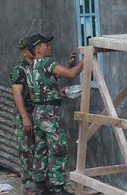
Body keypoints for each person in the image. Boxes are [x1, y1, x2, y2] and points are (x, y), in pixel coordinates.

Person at [26, 33, 83, 195]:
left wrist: (58, 91)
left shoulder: (31, 68)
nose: (49, 47)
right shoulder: (47, 62)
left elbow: (36, 91)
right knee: (58, 149)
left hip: (38, 112)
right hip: (50, 113)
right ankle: (58, 188)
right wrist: (89, 58)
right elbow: (71, 74)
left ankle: (41, 186)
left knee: (41, 149)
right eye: (46, 45)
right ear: (38, 49)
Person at [11, 37, 36, 195]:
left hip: (38, 112)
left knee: (38, 148)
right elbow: (17, 94)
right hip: (25, 113)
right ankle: (29, 185)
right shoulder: (19, 70)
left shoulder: (37, 67)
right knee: (26, 149)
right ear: (25, 52)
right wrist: (25, 117)